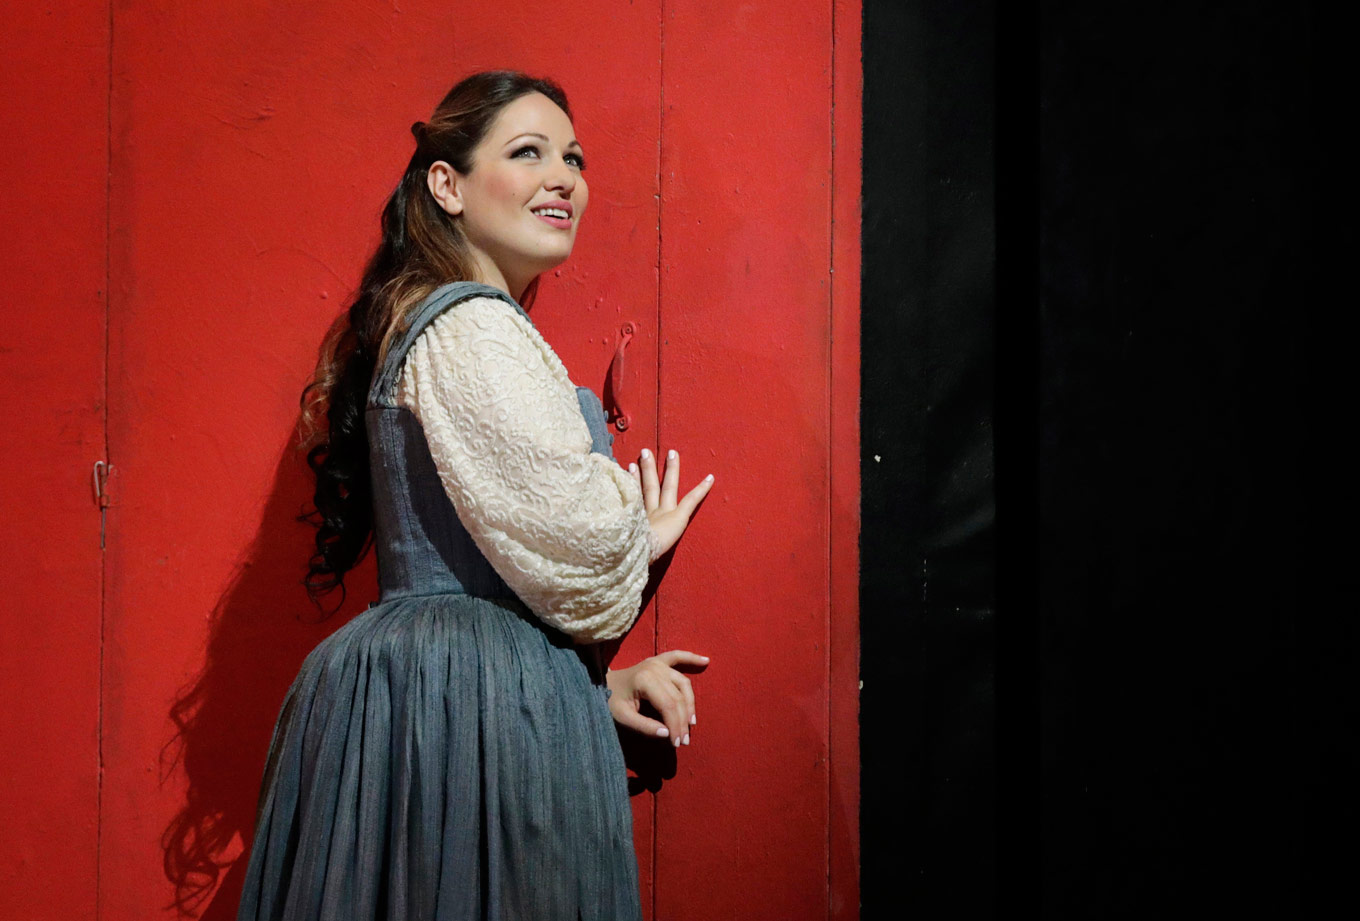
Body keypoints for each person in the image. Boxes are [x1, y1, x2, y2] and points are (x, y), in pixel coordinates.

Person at [235, 70, 715, 921]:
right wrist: (633, 534)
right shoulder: (472, 324)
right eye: (527, 152)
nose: (562, 175)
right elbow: (579, 538)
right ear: (447, 185)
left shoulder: (451, 322)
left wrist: (591, 686)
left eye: (572, 157)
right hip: (462, 709)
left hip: (443, 693)